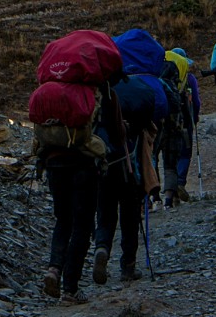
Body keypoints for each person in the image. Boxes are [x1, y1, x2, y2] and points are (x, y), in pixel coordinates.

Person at [40, 81, 124, 303]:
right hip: (83, 165)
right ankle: (70, 289)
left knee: (62, 219)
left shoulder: (52, 92)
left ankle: (53, 269)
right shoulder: (98, 92)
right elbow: (117, 132)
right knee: (82, 225)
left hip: (53, 161)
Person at [91, 71, 161, 283]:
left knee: (105, 212)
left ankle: (101, 247)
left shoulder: (101, 99)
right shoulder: (139, 101)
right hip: (132, 168)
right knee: (130, 217)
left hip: (105, 164)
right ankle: (128, 266)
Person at [157, 49, 201, 206]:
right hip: (183, 120)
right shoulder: (189, 78)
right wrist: (195, 117)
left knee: (163, 156)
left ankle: (159, 193)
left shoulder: (158, 77)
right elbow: (195, 101)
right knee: (184, 154)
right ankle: (179, 184)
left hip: (162, 120)